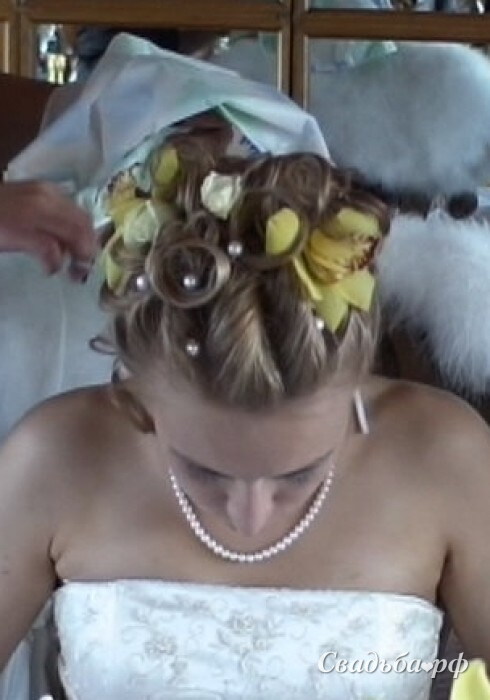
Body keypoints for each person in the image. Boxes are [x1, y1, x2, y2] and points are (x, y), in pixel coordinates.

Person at [1, 84, 490, 700]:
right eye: (203, 472)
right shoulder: (54, 455)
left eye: (299, 475)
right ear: (133, 393)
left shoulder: (446, 455)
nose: (248, 517)